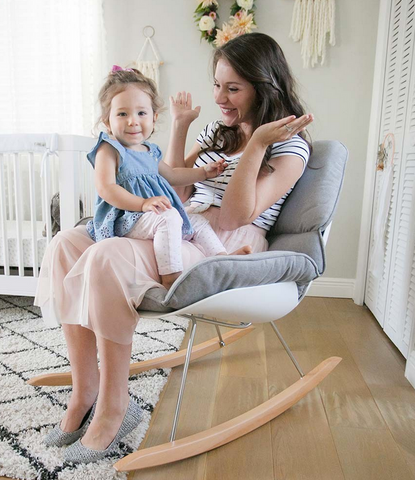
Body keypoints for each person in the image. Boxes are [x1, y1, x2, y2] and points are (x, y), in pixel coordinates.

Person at [34, 32, 313, 464]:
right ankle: (84, 389)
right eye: (217, 83)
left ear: (264, 84)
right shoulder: (218, 130)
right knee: (67, 242)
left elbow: (240, 215)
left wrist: (256, 143)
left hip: (225, 242)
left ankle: (114, 406)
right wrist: (182, 130)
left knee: (105, 256)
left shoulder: (289, 145)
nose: (219, 96)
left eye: (232, 88)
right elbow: (174, 183)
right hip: (182, 225)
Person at [85, 66, 250, 291]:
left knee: (197, 222)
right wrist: (142, 204)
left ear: (154, 117)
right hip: (125, 217)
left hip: (149, 215)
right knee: (169, 217)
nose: (133, 121)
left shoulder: (149, 151)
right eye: (123, 114)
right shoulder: (110, 149)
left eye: (141, 113)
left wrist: (203, 172)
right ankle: (171, 278)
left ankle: (222, 259)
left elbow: (173, 175)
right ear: (107, 121)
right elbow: (106, 188)